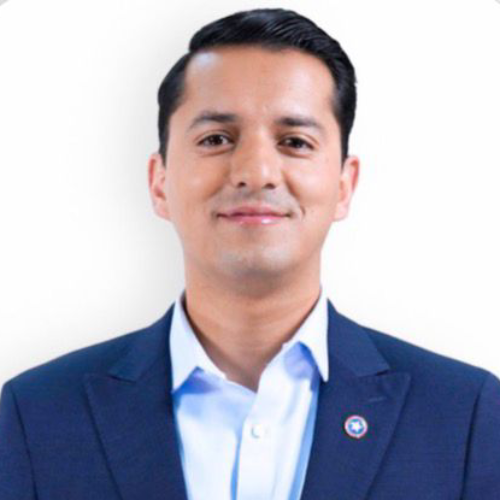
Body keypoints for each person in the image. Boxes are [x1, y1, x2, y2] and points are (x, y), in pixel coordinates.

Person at [0, 7, 499, 500]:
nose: (256, 172)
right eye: (216, 139)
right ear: (159, 182)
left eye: (295, 141)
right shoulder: (37, 415)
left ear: (344, 185)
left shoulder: (464, 416)